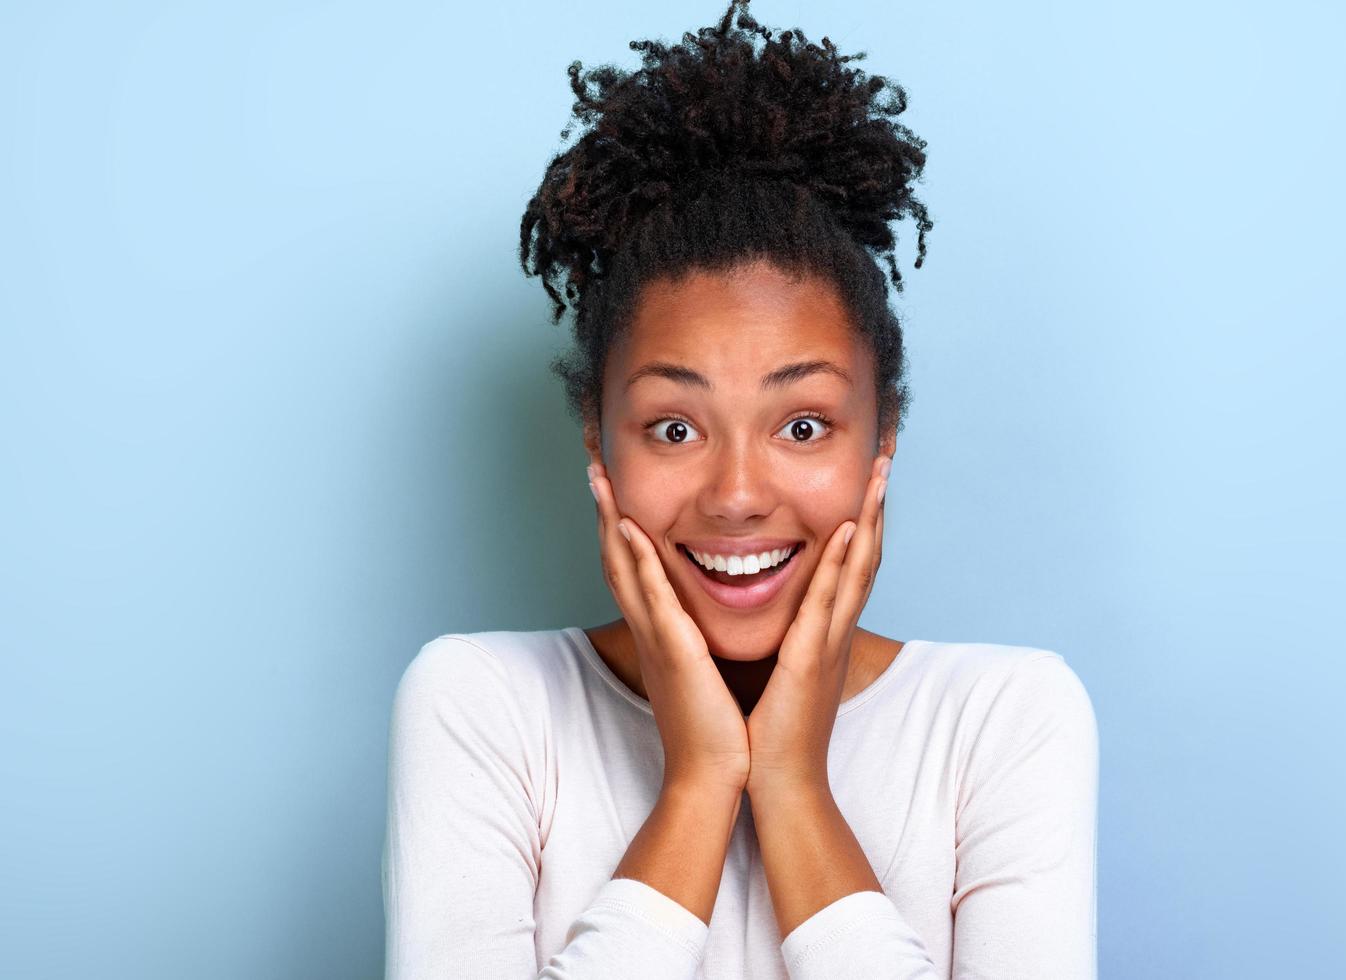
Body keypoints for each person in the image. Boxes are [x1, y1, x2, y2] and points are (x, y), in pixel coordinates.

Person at [381, 2, 1098, 977]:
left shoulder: (1001, 720)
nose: (734, 494)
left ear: (880, 435)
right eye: (673, 428)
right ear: (598, 438)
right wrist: (700, 779)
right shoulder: (484, 708)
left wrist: (794, 784)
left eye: (801, 425)